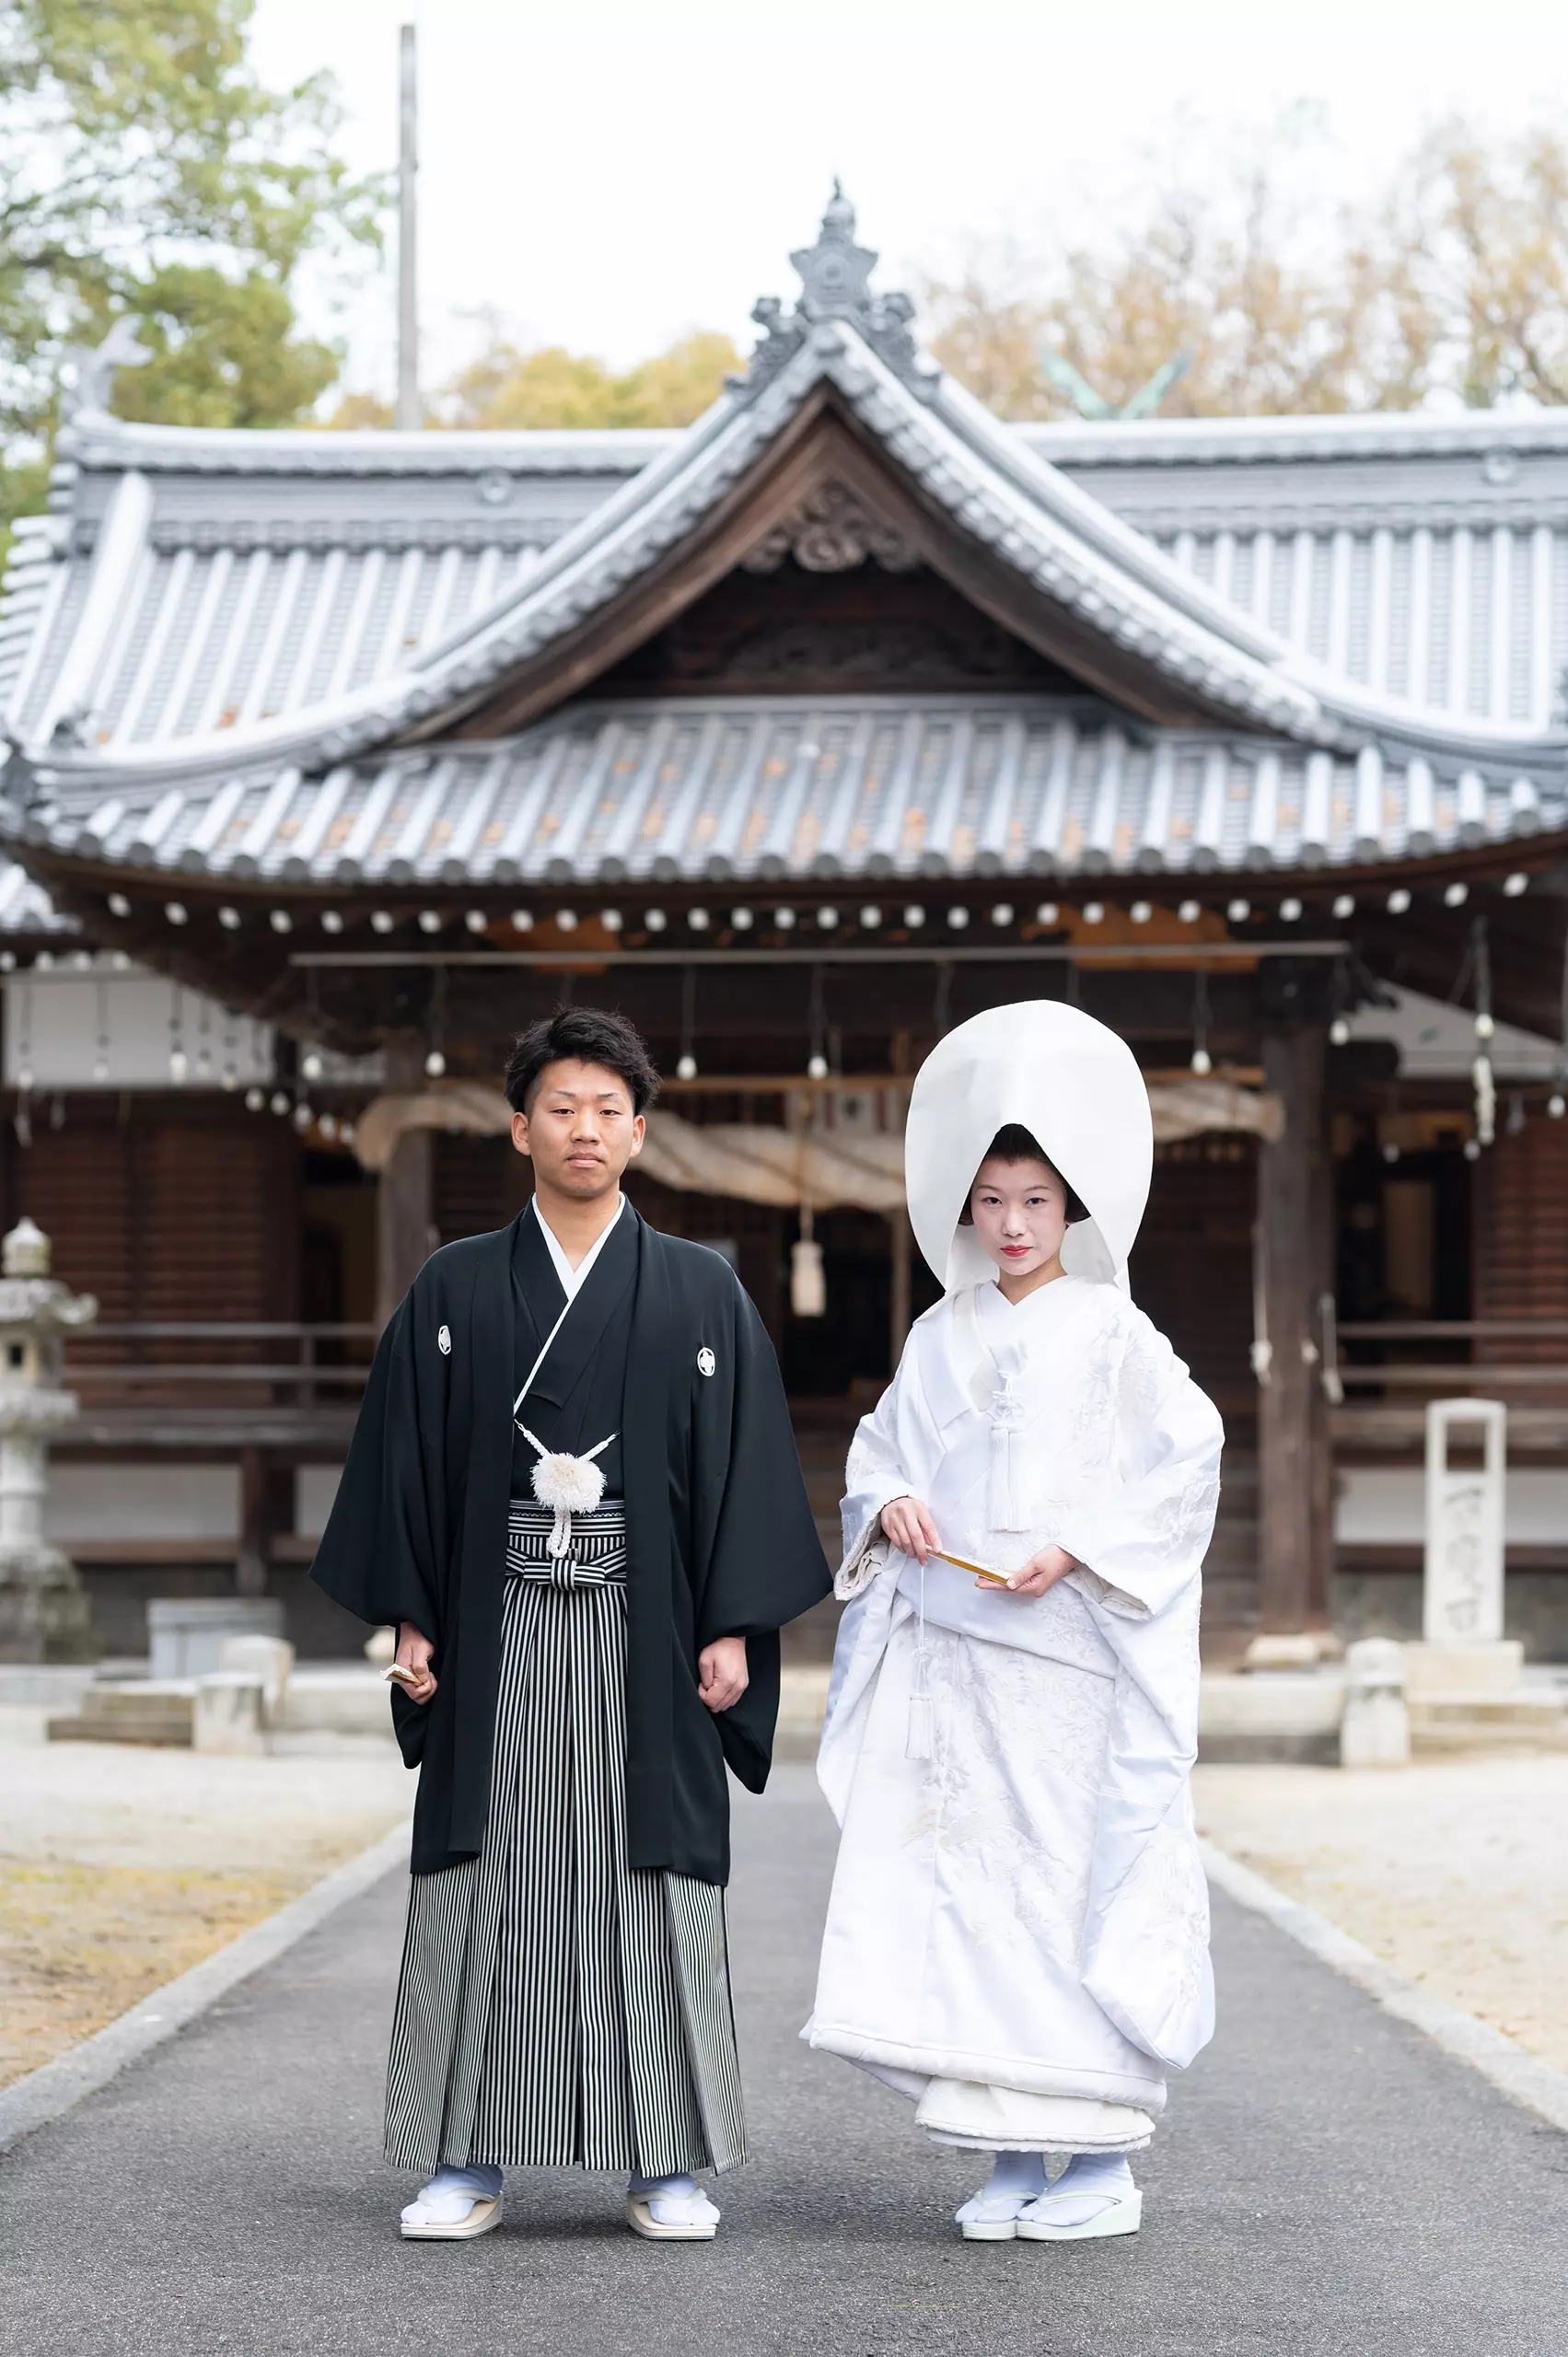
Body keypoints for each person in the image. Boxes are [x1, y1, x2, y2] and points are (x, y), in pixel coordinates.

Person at [313, 1006, 830, 2244]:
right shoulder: (453, 1288)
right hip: (492, 1628)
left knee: (646, 1880)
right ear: (518, 1130)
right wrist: (412, 1616)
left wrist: (731, 1627)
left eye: (606, 1110)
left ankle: (666, 2163)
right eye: (560, 1107)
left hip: (645, 1630)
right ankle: (466, 2157)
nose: (583, 1128)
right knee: (487, 1876)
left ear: (639, 1133)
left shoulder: (700, 1289)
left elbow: (742, 1468)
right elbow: (408, 1465)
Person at [805, 1001, 1223, 2244]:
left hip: (1064, 1666)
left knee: (1059, 1894)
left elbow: (1185, 1459)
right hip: (956, 1671)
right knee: (967, 1899)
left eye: (1035, 1201)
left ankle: (1095, 2156)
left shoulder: (1117, 1335)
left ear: (1071, 1207)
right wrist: (891, 1507)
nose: (1011, 1225)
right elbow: (878, 1454)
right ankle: (1007, 2146)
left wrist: (1078, 1549)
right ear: (964, 1208)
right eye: (989, 1200)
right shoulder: (940, 1332)